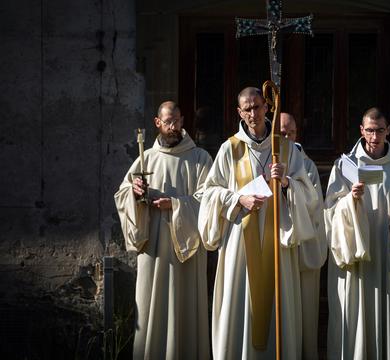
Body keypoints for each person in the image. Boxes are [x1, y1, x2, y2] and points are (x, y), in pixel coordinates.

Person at [198, 87, 318, 359]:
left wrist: (287, 183)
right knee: (241, 302)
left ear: (267, 108)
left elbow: (309, 196)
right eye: (247, 109)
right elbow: (210, 193)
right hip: (241, 242)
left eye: (257, 107)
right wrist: (239, 200)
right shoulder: (229, 149)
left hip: (278, 239)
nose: (253, 113)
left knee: (279, 305)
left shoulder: (285, 148)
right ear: (239, 113)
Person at [325, 107, 390, 359]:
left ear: (388, 131)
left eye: (379, 130)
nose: (374, 136)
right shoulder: (345, 165)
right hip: (358, 258)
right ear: (362, 130)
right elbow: (328, 212)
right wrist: (351, 201)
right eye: (369, 130)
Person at [114, 101, 213, 359]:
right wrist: (135, 194)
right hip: (154, 247)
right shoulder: (145, 159)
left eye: (178, 121)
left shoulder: (200, 158)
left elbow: (209, 199)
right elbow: (122, 194)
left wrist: (176, 205)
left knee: (185, 309)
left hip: (187, 250)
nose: (174, 127)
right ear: (157, 122)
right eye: (168, 122)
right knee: (151, 306)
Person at [280, 112, 327, 360]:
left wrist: (289, 187)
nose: (286, 137)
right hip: (278, 249)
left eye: (291, 133)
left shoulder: (305, 165)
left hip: (303, 249)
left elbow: (315, 205)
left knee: (305, 312)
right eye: (282, 133)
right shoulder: (266, 160)